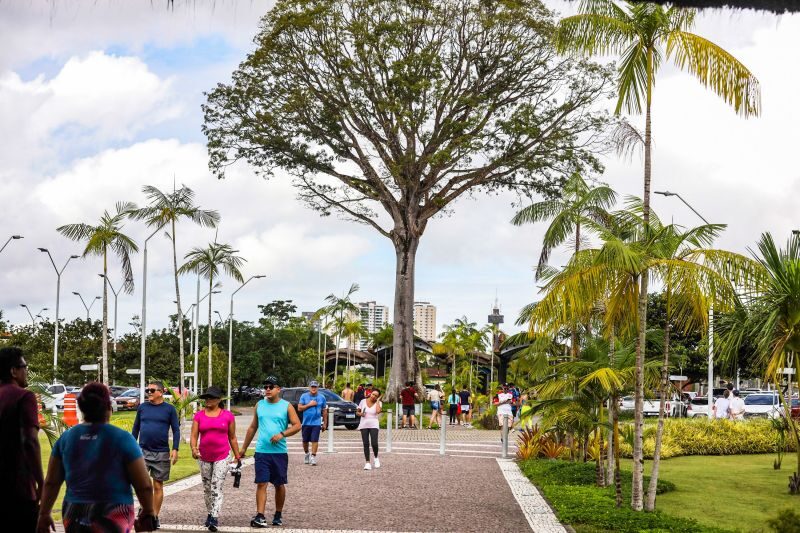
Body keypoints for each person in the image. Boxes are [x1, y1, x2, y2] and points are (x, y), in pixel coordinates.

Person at [37, 382, 157, 533]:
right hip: (114, 511)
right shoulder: (123, 439)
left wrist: (44, 513)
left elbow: (51, 482)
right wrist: (148, 512)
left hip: (74, 512)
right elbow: (144, 484)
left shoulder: (66, 438)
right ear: (108, 407)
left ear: (81, 408)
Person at [241, 376, 301, 528]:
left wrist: (282, 434)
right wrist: (243, 448)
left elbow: (297, 425)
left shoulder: (286, 406)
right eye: (265, 386)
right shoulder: (259, 405)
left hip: (279, 453)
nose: (267, 389)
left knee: (279, 484)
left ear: (278, 389)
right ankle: (260, 516)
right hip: (262, 451)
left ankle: (278, 513)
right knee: (261, 483)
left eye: (271, 386)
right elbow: (253, 427)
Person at [0, 347, 42, 532]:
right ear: (13, 371)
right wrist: (42, 482)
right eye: (25, 366)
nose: (27, 371)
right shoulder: (24, 396)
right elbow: (30, 441)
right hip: (18, 489)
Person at [190, 386, 240, 532]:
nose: (208, 400)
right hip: (204, 456)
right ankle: (210, 513)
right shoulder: (199, 415)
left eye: (211, 398)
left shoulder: (228, 416)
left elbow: (232, 437)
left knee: (216, 486)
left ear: (218, 400)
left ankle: (214, 517)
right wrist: (194, 449)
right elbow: (194, 436)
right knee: (206, 488)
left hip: (222, 456)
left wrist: (237, 456)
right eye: (206, 398)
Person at [132, 380, 180, 528]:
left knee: (158, 486)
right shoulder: (142, 407)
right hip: (142, 452)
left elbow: (176, 430)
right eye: (147, 390)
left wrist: (175, 449)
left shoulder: (170, 409)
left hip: (161, 453)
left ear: (161, 392)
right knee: (142, 485)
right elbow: (136, 428)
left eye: (152, 390)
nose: (149, 393)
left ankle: (154, 516)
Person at [298, 380, 328, 466]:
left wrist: (325, 423)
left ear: (317, 388)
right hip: (306, 423)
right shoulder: (304, 396)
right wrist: (309, 405)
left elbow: (324, 411)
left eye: (315, 387)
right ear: (309, 388)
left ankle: (313, 456)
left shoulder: (322, 397)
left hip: (316, 423)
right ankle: (307, 453)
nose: (313, 388)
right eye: (312, 387)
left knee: (315, 440)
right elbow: (299, 408)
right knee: (305, 441)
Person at [356, 389, 382, 470]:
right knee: (366, 443)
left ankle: (376, 458)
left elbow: (378, 411)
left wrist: (377, 401)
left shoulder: (379, 403)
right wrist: (361, 414)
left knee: (374, 443)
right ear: (371, 393)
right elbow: (357, 412)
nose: (373, 396)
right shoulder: (363, 401)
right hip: (364, 424)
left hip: (374, 424)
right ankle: (367, 462)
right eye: (373, 394)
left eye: (376, 396)